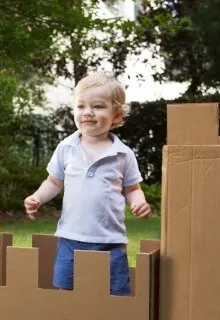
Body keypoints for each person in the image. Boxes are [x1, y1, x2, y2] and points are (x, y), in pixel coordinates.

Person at [24, 73, 151, 296]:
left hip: (109, 240)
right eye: (81, 106)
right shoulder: (66, 147)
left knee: (115, 294)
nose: (88, 112)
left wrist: (139, 203)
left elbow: (132, 189)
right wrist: (37, 197)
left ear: (117, 114)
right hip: (70, 238)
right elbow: (54, 181)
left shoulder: (123, 154)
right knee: (66, 289)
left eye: (98, 106)